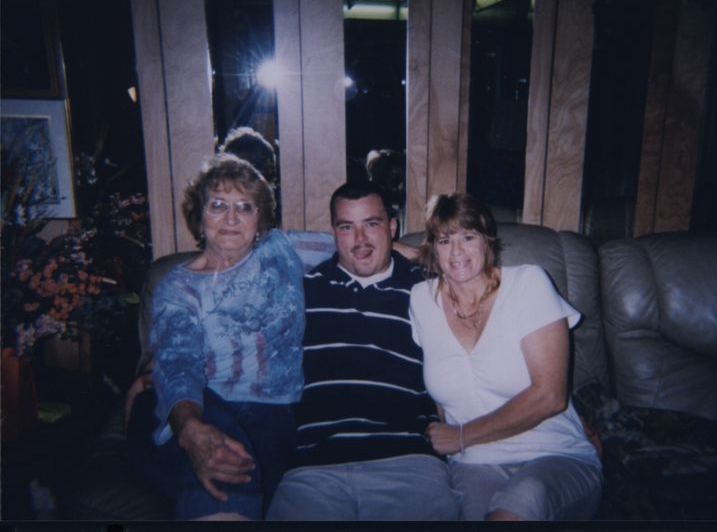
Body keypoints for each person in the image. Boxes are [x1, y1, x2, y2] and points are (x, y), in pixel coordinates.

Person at [127, 153, 334, 520]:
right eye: (218, 205)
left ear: (260, 219)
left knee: (233, 467)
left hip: (271, 411)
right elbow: (180, 361)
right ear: (200, 216)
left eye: (245, 206)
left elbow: (358, 242)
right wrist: (189, 425)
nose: (232, 218)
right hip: (199, 402)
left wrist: (428, 253)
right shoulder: (178, 286)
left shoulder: (283, 251)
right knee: (227, 466)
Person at [266, 180, 459, 520]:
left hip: (408, 461)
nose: (360, 240)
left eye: (371, 224)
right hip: (314, 468)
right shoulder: (301, 292)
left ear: (392, 227)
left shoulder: (428, 289)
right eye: (346, 227)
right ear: (333, 233)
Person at [409, 193, 603, 521]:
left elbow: (551, 396)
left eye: (468, 237)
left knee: (518, 506)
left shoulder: (528, 284)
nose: (456, 251)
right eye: (444, 241)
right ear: (433, 249)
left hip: (552, 452)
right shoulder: (421, 300)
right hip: (473, 464)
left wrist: (461, 436)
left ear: (487, 241)